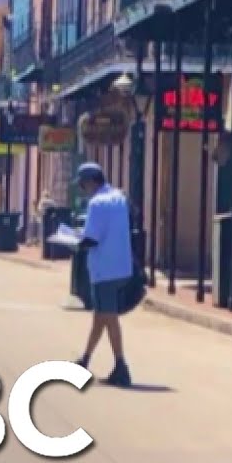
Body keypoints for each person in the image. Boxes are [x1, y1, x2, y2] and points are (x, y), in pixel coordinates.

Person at [73, 162, 133, 387]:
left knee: (109, 317)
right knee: (100, 317)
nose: (82, 190)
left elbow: (91, 238)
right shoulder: (119, 198)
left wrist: (73, 242)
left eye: (82, 185)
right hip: (122, 267)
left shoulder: (97, 203)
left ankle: (121, 366)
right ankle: (85, 359)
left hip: (104, 269)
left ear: (90, 182)